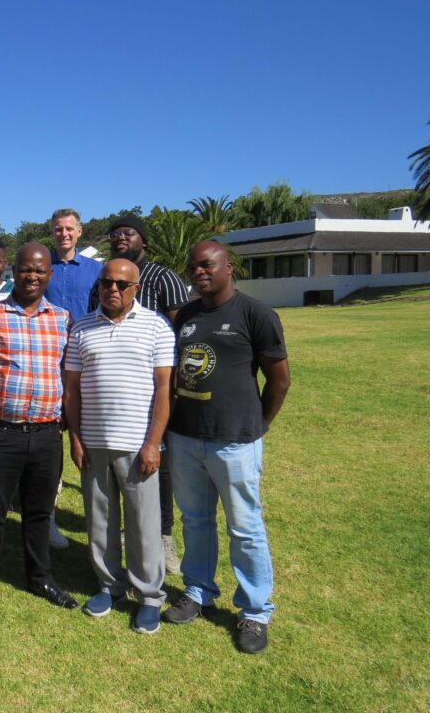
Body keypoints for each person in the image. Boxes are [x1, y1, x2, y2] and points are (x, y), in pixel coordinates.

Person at [163, 240, 290, 654]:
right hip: (185, 437)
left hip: (234, 441)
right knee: (195, 520)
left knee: (245, 526)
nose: (199, 272)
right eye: (193, 267)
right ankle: (199, 590)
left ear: (228, 267)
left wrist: (257, 426)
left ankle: (254, 611)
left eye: (207, 265)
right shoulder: (186, 316)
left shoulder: (255, 314)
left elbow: (280, 379)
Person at [0, 243, 77, 616]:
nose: (32, 276)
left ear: (49, 276)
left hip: (46, 434)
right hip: (1, 432)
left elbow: (66, 373)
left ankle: (39, 576)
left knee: (39, 512)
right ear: (16, 271)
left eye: (40, 271)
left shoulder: (62, 318)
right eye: (26, 269)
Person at [63, 259, 176, 635]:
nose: (112, 289)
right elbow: (72, 390)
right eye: (106, 283)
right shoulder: (81, 329)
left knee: (144, 526)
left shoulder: (156, 327)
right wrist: (76, 437)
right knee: (100, 523)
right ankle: (110, 586)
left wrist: (153, 443)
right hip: (94, 444)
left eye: (122, 285)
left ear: (136, 288)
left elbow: (164, 390)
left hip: (137, 445)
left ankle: (148, 595)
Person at [89, 214, 192, 575]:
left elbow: (180, 328)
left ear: (142, 241)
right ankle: (118, 549)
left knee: (155, 459)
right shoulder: (100, 281)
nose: (120, 238)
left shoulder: (163, 278)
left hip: (154, 376)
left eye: (128, 233)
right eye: (115, 233)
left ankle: (163, 534)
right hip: (110, 395)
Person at [42, 209, 103, 550]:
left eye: (69, 229)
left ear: (79, 232)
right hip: (49, 364)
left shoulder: (96, 271)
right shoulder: (42, 266)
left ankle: (100, 525)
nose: (63, 234)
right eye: (58, 229)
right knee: (52, 445)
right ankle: (48, 520)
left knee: (88, 444)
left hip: (86, 365)